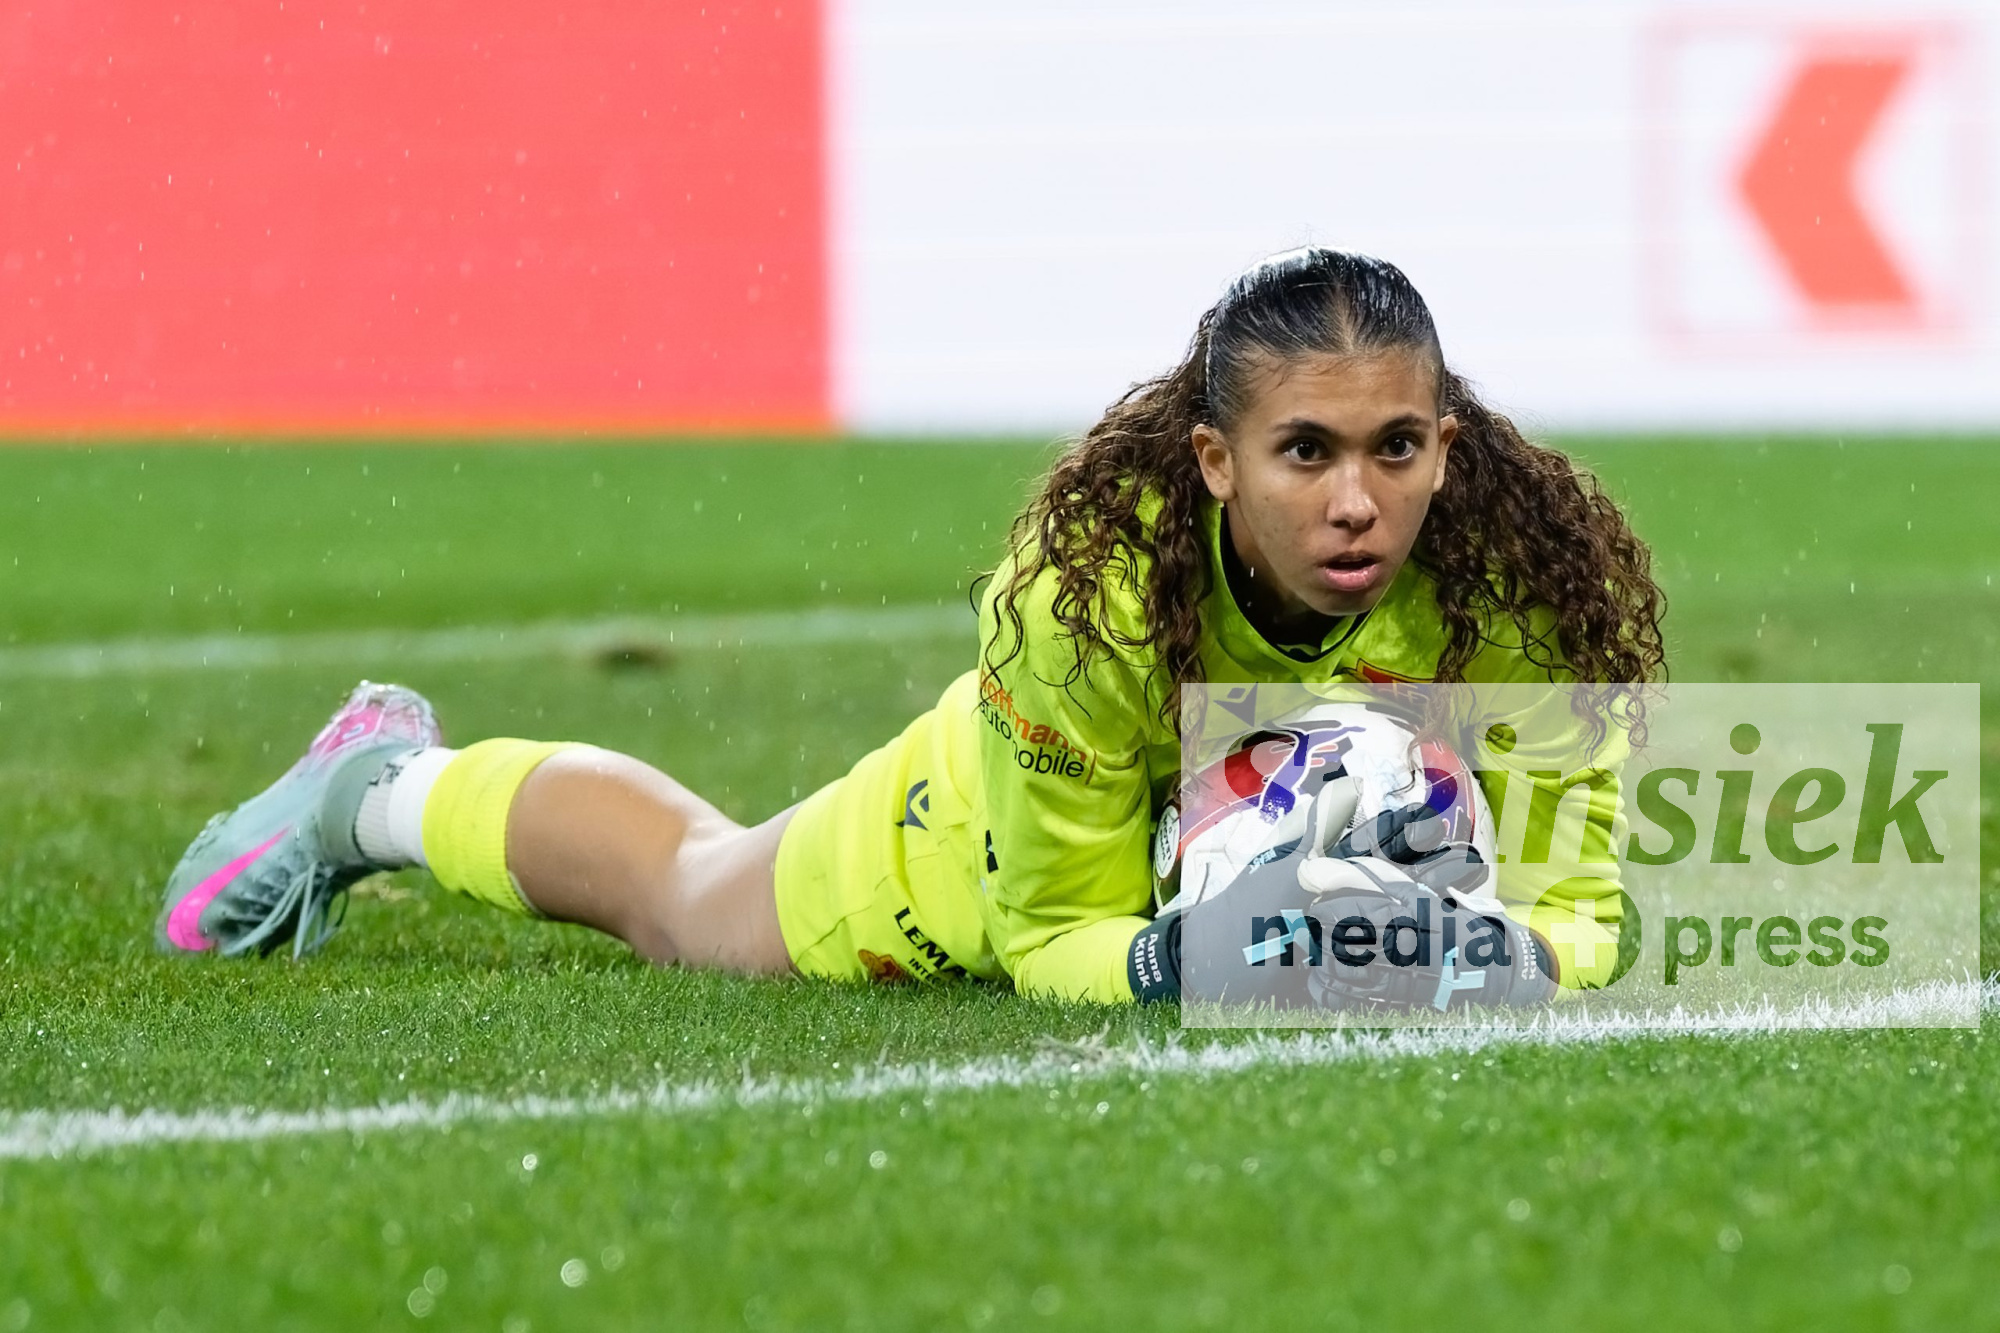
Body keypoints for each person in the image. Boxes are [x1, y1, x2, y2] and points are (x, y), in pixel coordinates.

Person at [156, 248, 1665, 1006]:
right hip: (978, 835)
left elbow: (1581, 910)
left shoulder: (1522, 599)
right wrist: (1200, 960)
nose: (1356, 502)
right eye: (1305, 453)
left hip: (1221, 872)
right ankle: (378, 789)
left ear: (1447, 445)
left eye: (1396, 449)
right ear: (1216, 461)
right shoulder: (1085, 603)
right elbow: (1053, 935)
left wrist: (1469, 953)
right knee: (688, 901)